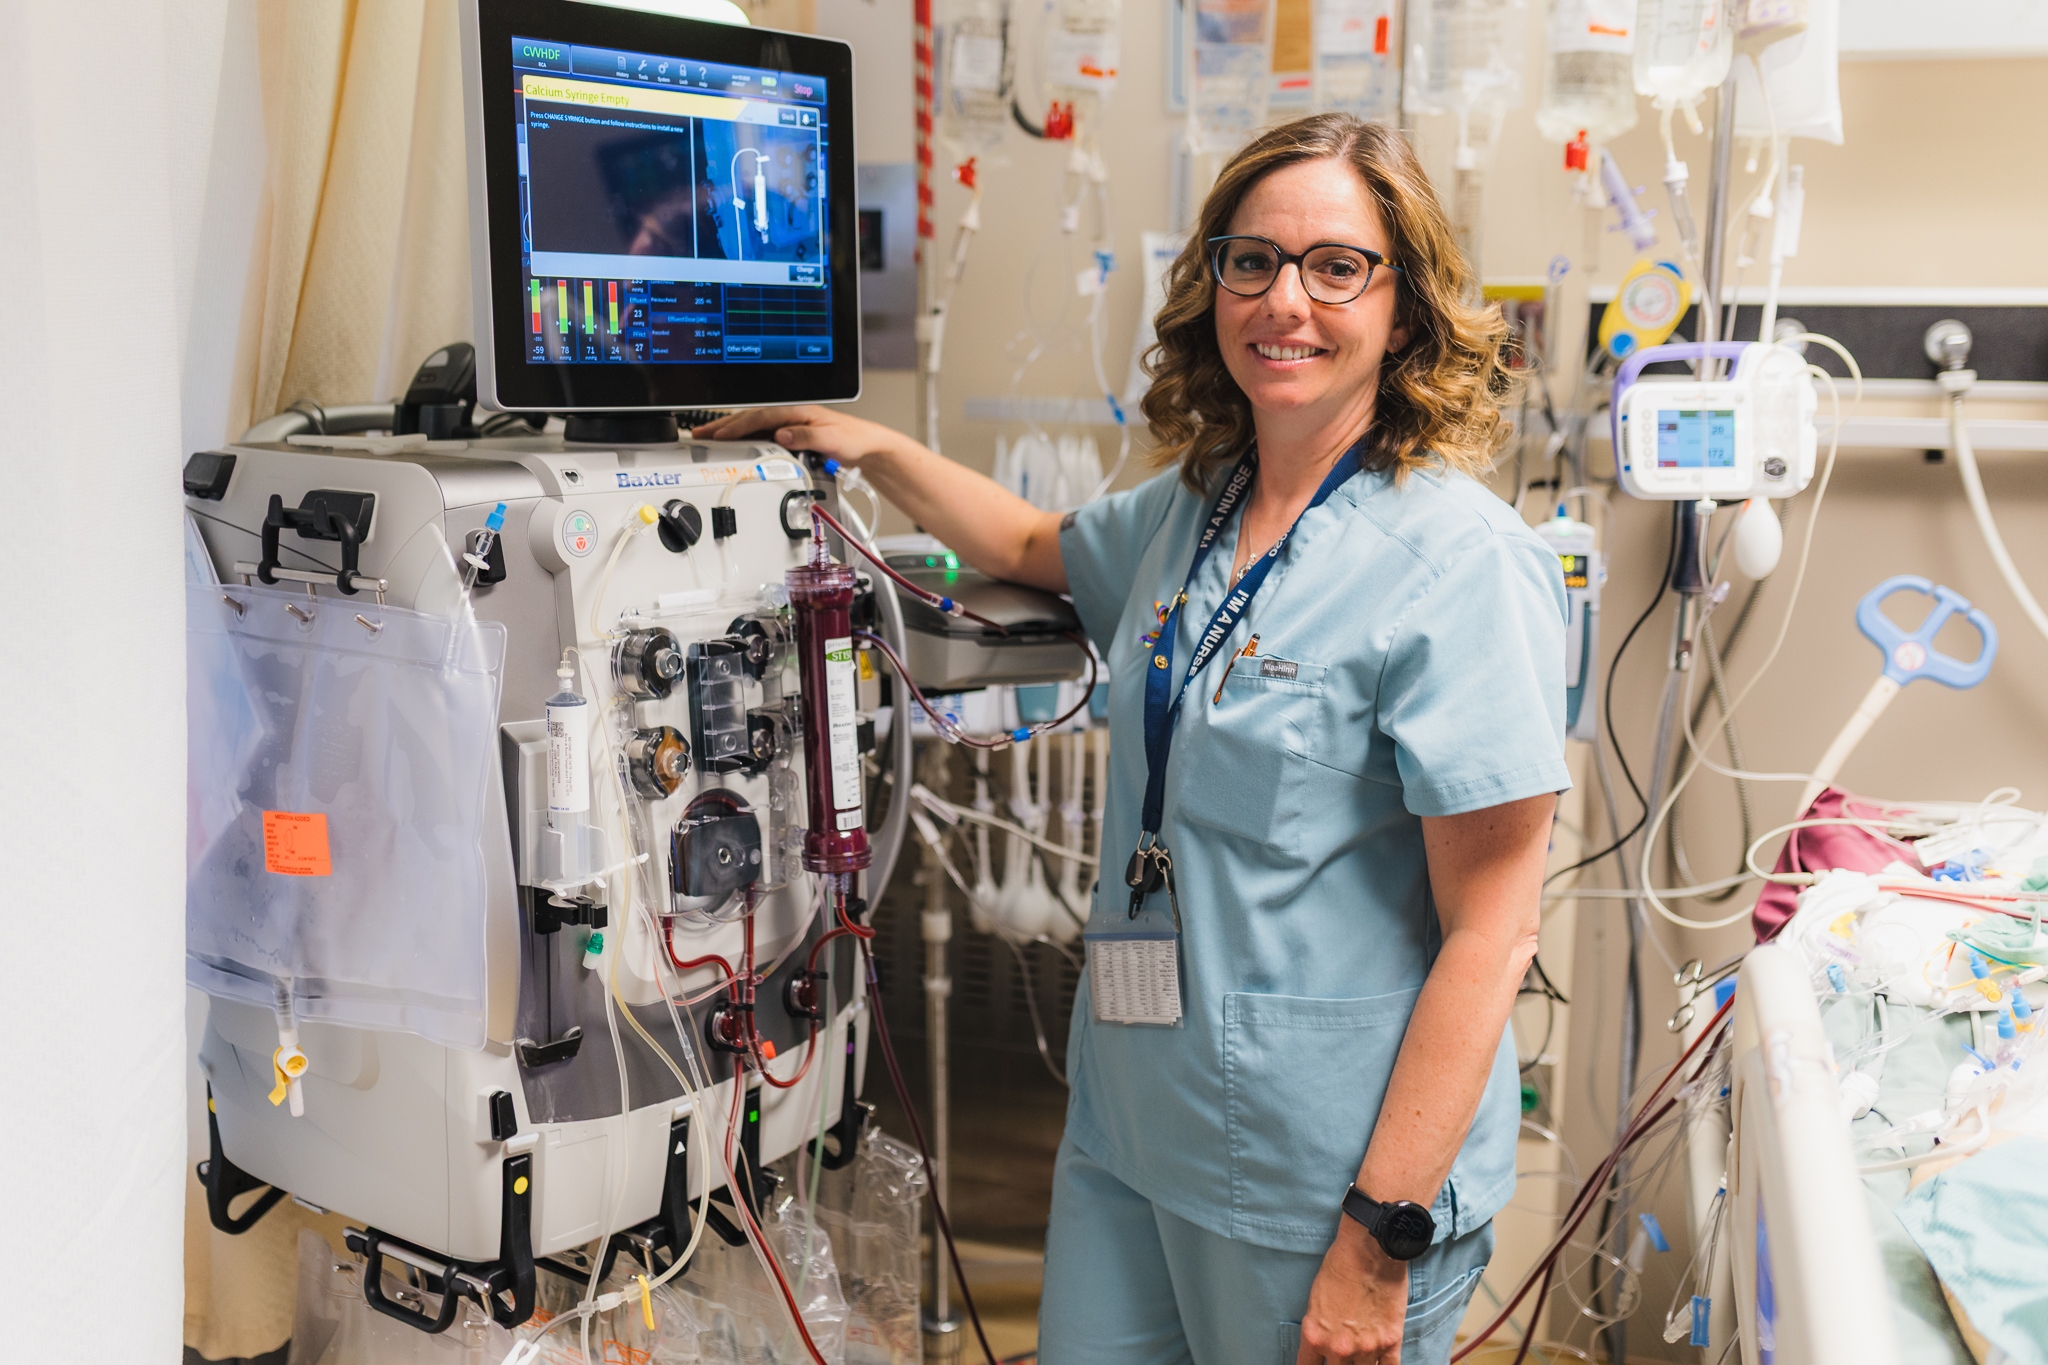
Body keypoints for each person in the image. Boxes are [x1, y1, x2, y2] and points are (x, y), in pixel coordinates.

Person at [694, 113, 1567, 1365]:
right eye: (1251, 261)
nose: (1286, 302)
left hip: (1317, 1178)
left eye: (1336, 267)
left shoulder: (1458, 565)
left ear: (1404, 303)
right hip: (1129, 1128)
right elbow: (1032, 548)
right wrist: (876, 445)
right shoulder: (1196, 508)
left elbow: (1494, 933)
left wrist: (1380, 1236)